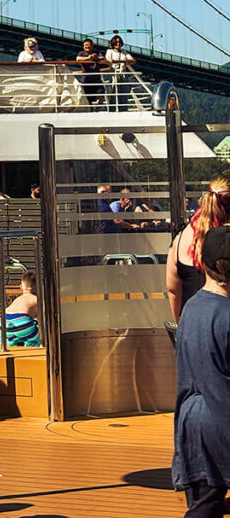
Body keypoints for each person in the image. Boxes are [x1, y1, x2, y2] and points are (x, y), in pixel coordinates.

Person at [172, 225, 230, 517]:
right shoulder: (227, 315)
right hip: (223, 415)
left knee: (204, 505)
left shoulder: (192, 308)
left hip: (191, 420)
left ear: (203, 265)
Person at [166, 176, 230, 322]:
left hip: (193, 324)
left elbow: (173, 289)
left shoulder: (181, 237)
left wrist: (181, 326)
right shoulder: (225, 237)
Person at [5, 271, 40, 347]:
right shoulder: (36, 299)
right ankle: (31, 352)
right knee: (35, 338)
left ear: (21, 287)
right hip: (22, 320)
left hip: (4, 321)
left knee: (14, 339)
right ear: (38, 287)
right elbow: (43, 321)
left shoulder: (18, 299)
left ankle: (13, 347)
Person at [105, 35, 135, 110]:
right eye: (116, 42)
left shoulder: (123, 52)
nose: (118, 44)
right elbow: (108, 58)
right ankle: (112, 110)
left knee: (123, 95)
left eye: (119, 42)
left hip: (123, 77)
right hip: (113, 76)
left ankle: (123, 110)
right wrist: (110, 60)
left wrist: (128, 61)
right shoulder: (110, 51)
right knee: (113, 94)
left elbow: (131, 59)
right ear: (113, 43)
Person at [75, 38, 107, 107]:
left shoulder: (97, 53)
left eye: (89, 45)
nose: (88, 46)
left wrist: (96, 58)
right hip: (86, 81)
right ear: (83, 46)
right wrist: (88, 58)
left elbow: (103, 58)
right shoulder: (82, 53)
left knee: (101, 95)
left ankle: (97, 110)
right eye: (86, 45)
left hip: (97, 80)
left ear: (92, 46)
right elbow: (78, 59)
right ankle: (91, 111)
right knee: (88, 100)